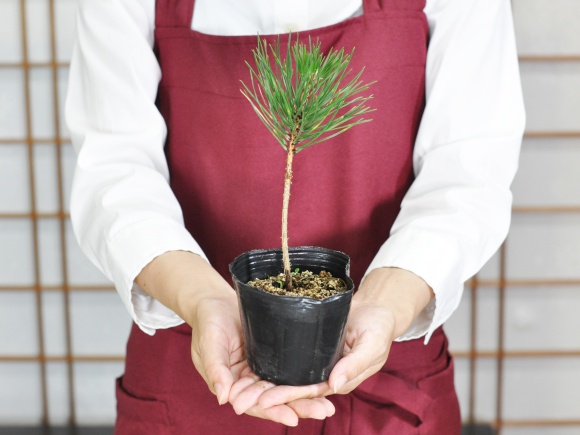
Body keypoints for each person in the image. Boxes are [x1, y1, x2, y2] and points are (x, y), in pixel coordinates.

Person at [66, 0, 525, 433]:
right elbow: (113, 165)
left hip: (385, 368)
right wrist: (202, 298)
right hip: (199, 362)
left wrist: (390, 299)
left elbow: (469, 167)